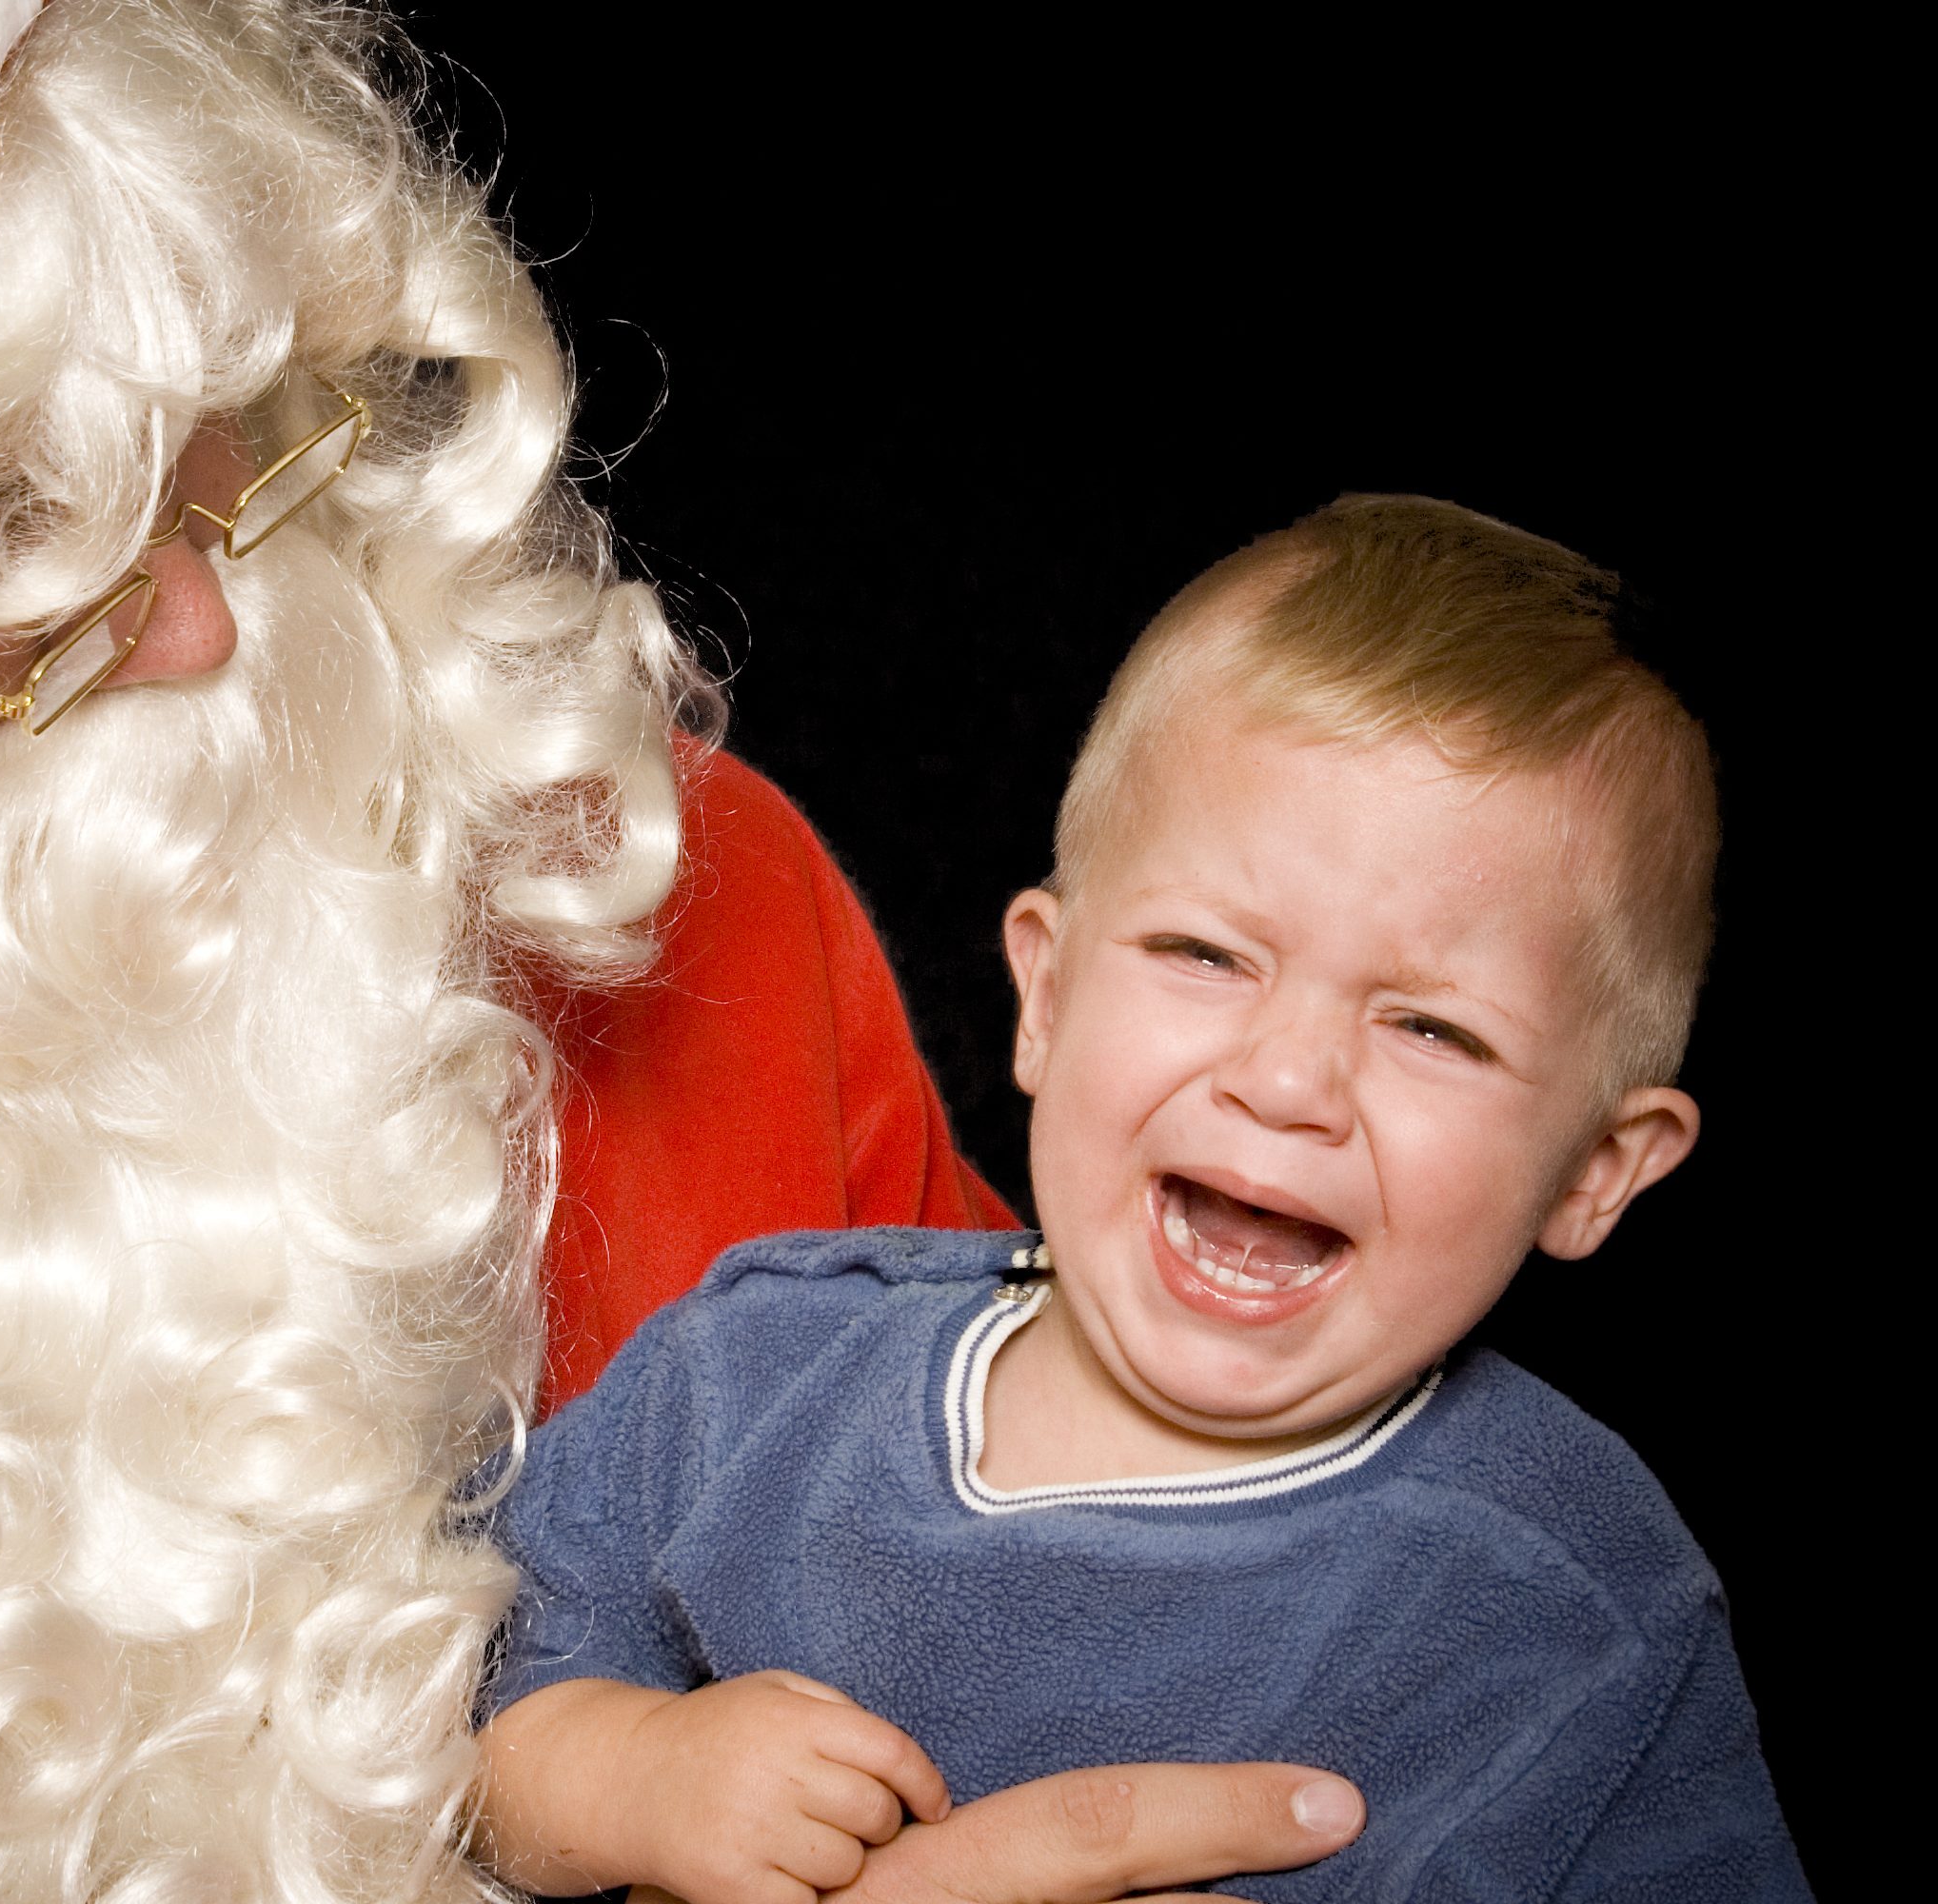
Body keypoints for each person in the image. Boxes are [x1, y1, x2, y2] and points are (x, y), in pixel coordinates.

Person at [0, 3, 1367, 1898]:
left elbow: (1187, 1646)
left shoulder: (678, 900)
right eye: (1, 530)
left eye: (233, 427)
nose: (204, 628)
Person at [473, 495, 1811, 1902]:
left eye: (1434, 1031)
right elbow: (428, 1722)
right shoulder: (751, 1371)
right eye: (1207, 954)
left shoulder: (1576, 1602)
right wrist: (626, 1772)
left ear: (1599, 1172)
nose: (1290, 1079)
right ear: (1046, 995)